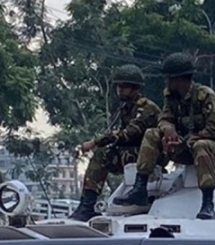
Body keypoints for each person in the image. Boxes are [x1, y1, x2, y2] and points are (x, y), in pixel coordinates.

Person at [114, 52, 215, 220]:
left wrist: (185, 141)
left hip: (212, 148)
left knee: (201, 145)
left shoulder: (206, 96)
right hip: (182, 145)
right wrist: (169, 130)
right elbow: (164, 118)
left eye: (169, 78)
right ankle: (140, 188)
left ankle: (207, 204)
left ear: (179, 79)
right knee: (152, 133)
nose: (166, 82)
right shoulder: (171, 96)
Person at [69, 65, 161, 221]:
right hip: (134, 153)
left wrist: (95, 142)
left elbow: (128, 134)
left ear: (135, 88)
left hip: (150, 155)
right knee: (101, 155)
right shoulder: (126, 108)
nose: (120, 90)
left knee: (103, 152)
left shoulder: (147, 109)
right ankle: (87, 206)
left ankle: (139, 190)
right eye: (118, 86)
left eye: (124, 86)